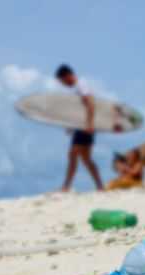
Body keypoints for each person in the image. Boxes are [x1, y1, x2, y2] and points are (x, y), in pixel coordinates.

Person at [54, 64, 104, 192]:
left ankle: (66, 187)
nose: (63, 84)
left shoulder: (81, 85)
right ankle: (100, 187)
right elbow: (81, 109)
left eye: (62, 81)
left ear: (67, 76)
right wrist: (72, 125)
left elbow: (91, 104)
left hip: (85, 127)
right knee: (86, 159)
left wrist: (90, 124)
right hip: (82, 126)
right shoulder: (78, 87)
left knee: (73, 154)